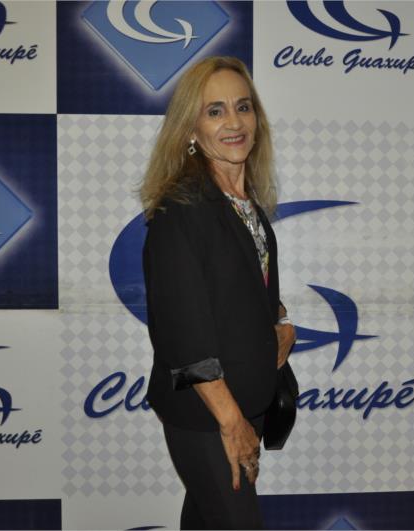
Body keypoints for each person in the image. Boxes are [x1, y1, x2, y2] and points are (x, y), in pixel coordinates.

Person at [139, 56, 296, 530]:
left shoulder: (248, 207)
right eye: (215, 111)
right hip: (209, 417)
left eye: (243, 107)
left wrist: (280, 322)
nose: (234, 122)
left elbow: (242, 289)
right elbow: (183, 338)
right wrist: (232, 423)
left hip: (247, 405)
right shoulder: (180, 211)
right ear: (190, 129)